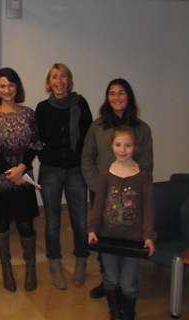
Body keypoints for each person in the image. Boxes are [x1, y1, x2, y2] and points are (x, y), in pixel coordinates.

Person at [82, 78, 153, 299]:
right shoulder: (98, 126)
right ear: (107, 98)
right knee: (103, 238)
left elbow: (146, 165)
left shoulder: (142, 129)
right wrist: (102, 188)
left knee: (129, 237)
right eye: (112, 93)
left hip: (133, 198)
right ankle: (108, 280)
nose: (117, 97)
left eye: (121, 92)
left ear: (129, 96)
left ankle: (126, 283)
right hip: (103, 194)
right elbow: (87, 159)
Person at [0, 67, 42, 293]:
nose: (7, 90)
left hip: (23, 177)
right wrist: (12, 172)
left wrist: (21, 169)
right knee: (2, 223)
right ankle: (6, 268)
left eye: (11, 85)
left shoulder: (28, 113)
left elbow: (35, 144)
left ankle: (31, 268)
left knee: (26, 223)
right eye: (2, 86)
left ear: (17, 87)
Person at [87, 126, 156, 320]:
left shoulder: (143, 175)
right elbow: (99, 203)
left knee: (128, 281)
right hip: (108, 237)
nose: (122, 150)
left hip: (133, 238)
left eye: (128, 145)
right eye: (118, 145)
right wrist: (92, 229)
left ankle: (128, 313)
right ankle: (115, 312)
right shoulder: (105, 174)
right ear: (111, 146)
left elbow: (149, 208)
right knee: (110, 277)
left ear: (135, 148)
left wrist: (149, 236)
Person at [35, 63, 92, 290]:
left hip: (76, 170)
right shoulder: (42, 107)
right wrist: (47, 154)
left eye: (63, 76)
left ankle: (81, 263)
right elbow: (36, 138)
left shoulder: (80, 103)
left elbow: (88, 138)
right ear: (49, 82)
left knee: (80, 221)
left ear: (69, 80)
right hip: (50, 170)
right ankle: (55, 265)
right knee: (52, 222)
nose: (59, 81)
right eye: (54, 77)